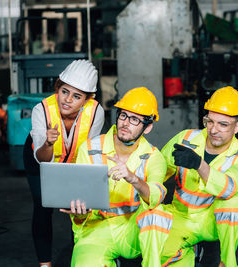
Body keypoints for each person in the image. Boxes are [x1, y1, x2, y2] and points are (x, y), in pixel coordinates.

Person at [60, 87, 172, 267]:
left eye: (135, 119)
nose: (126, 123)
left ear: (148, 127)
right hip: (96, 228)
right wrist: (79, 212)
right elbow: (80, 195)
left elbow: (156, 196)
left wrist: (133, 178)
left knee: (158, 215)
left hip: (133, 229)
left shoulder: (153, 157)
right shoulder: (89, 148)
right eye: (123, 115)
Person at [160, 86, 238, 267]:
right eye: (210, 121)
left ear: (237, 127)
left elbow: (228, 188)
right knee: (159, 255)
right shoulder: (186, 139)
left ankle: (226, 263)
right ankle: (189, 252)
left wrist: (199, 164)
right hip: (181, 217)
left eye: (223, 124)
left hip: (212, 221)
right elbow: (157, 170)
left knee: (233, 202)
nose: (213, 130)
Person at [23, 59, 105, 267]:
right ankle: (45, 264)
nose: (67, 100)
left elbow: (88, 154)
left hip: (78, 159)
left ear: (87, 99)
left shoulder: (96, 113)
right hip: (40, 156)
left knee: (79, 206)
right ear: (58, 88)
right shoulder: (40, 110)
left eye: (76, 96)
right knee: (43, 206)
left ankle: (80, 258)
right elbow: (42, 159)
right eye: (64, 91)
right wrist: (49, 143)